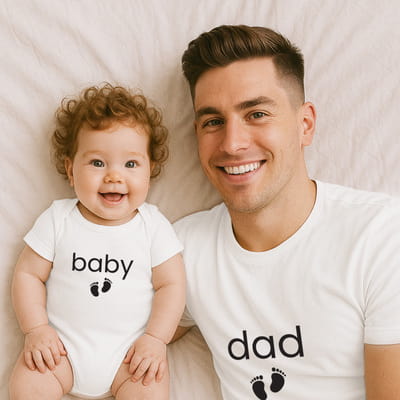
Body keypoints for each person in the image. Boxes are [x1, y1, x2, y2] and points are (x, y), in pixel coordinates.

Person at [172, 25, 400, 399]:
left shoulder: (379, 235)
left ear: (305, 124)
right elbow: (106, 340)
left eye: (257, 114)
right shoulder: (183, 250)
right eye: (213, 122)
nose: (232, 143)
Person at [9, 83, 185, 400]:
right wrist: (35, 329)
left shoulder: (153, 226)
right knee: (27, 386)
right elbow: (28, 274)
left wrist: (156, 339)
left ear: (150, 171)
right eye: (98, 163)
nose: (114, 176)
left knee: (149, 388)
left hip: (130, 358)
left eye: (131, 164)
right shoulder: (58, 219)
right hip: (59, 352)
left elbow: (172, 285)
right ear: (70, 170)